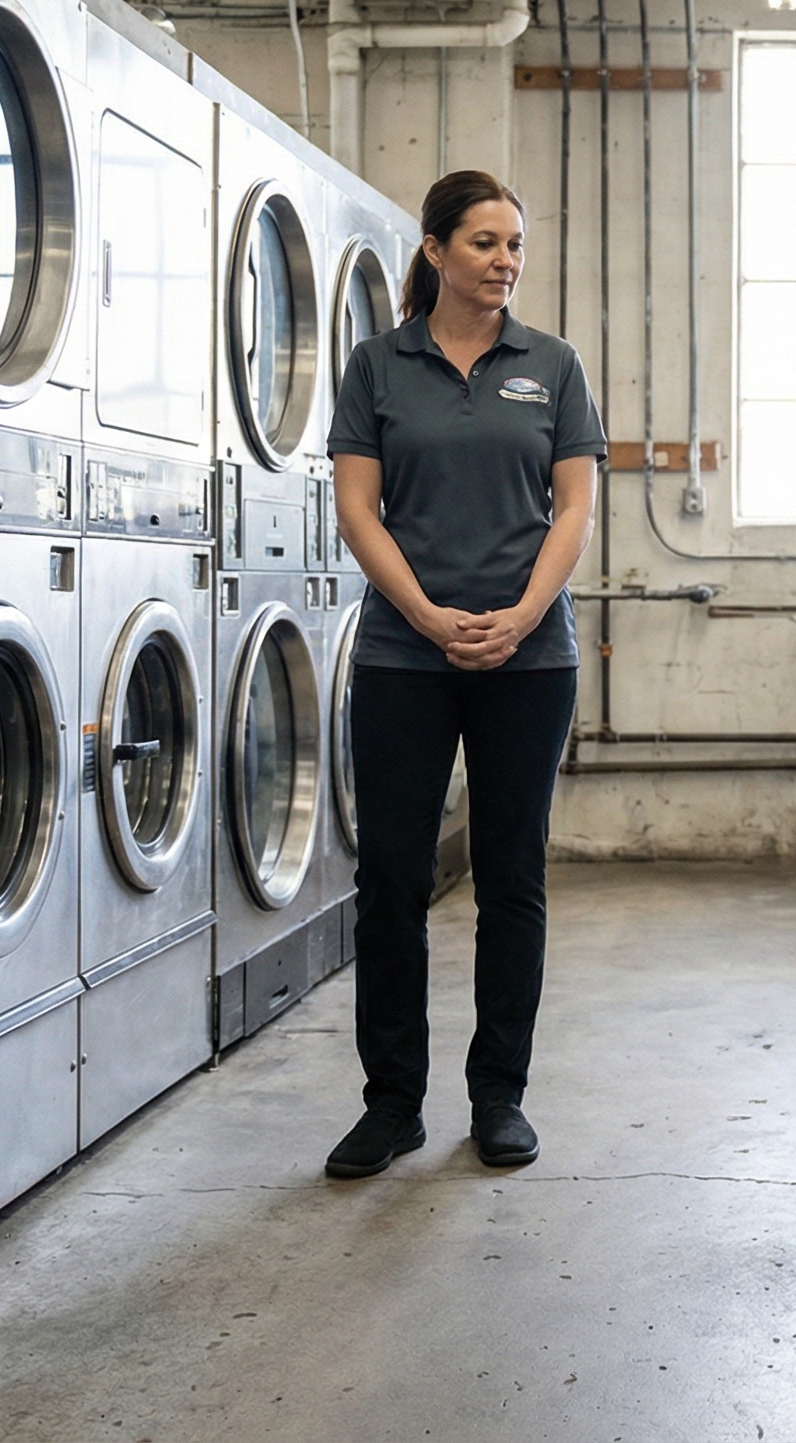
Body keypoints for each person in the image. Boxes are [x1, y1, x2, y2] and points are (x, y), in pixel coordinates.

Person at [322, 170, 605, 1180]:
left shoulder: (553, 366)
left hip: (529, 658)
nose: (505, 261)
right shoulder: (377, 367)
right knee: (391, 878)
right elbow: (360, 509)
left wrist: (522, 616)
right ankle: (391, 1103)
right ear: (435, 250)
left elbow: (571, 509)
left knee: (511, 878)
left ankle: (500, 1098)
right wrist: (428, 616)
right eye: (485, 242)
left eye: (516, 245)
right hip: (406, 653)